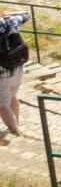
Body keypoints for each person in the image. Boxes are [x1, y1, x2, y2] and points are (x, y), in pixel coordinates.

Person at [0, 9, 29, 143]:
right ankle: (17, 123)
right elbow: (26, 15)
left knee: (2, 105)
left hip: (2, 73)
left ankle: (16, 132)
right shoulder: (10, 20)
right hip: (18, 66)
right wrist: (10, 13)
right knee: (13, 96)